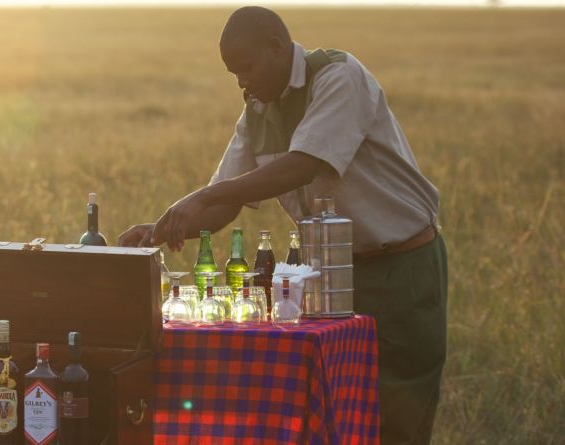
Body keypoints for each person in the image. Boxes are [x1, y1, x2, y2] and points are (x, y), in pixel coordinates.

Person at [118, 6, 447, 445]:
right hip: (329, 276)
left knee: (397, 417)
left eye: (246, 67)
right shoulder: (257, 110)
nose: (241, 81)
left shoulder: (337, 75)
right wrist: (159, 229)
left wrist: (204, 196)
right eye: (232, 72)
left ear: (277, 47)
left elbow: (305, 165)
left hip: (400, 267)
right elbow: (227, 200)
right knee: (339, 412)